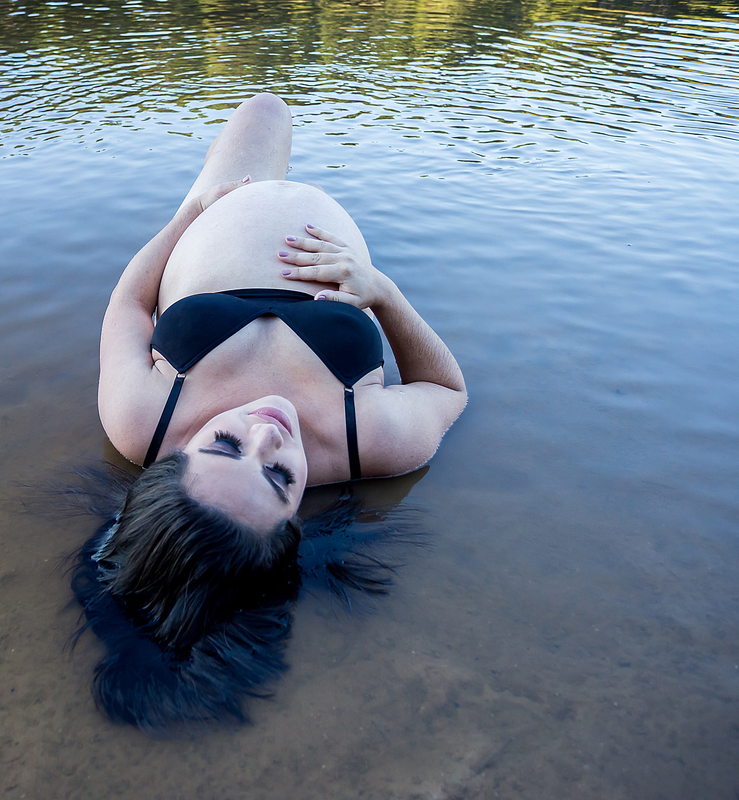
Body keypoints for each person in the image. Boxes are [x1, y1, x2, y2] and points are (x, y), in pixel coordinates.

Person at [72, 92, 466, 731]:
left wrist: (189, 215)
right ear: (294, 528)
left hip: (222, 203)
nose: (267, 433)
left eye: (225, 445)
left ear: (175, 462)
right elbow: (448, 390)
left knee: (265, 106)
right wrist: (383, 294)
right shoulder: (370, 444)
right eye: (279, 477)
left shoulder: (141, 422)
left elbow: (128, 307)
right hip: (325, 231)